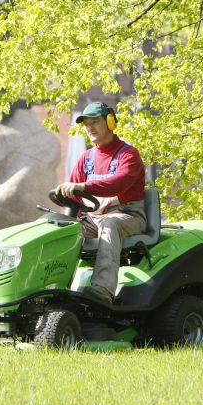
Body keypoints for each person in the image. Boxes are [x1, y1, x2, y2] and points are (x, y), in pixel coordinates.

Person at [56, 102, 146, 304]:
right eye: (86, 124)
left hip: (128, 216)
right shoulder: (86, 158)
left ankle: (102, 291)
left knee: (110, 223)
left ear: (110, 122)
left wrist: (83, 187)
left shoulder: (128, 155)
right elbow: (74, 197)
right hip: (92, 218)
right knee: (62, 232)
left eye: (95, 122)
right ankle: (56, 289)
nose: (90, 128)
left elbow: (117, 184)